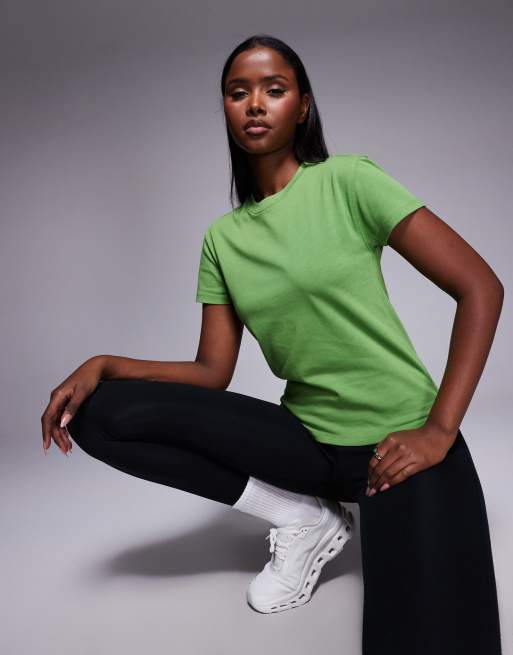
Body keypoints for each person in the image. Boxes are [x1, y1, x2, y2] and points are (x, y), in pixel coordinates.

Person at [40, 34, 503, 654]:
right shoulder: (223, 239)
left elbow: (481, 288)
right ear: (227, 109)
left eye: (274, 90)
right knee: (100, 414)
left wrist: (440, 429)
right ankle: (303, 517)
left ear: (302, 106)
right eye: (239, 93)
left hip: (398, 442)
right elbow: (212, 371)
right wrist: (104, 364)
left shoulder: (348, 181)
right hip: (307, 441)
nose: (255, 104)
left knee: (426, 636)